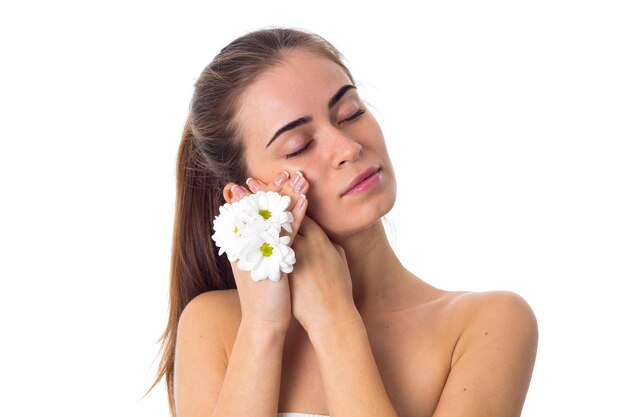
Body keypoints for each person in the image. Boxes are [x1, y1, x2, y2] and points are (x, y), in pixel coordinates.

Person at [152, 27, 538, 417]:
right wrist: (263, 327)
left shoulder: (487, 325)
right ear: (244, 196)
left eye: (351, 113)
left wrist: (334, 321)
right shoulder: (216, 325)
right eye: (299, 145)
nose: (349, 148)